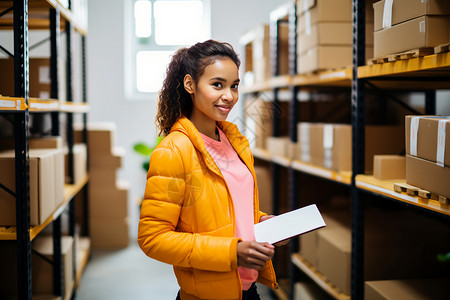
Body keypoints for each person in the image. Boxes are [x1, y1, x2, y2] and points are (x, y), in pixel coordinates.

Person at [138, 39, 287, 300]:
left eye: (234, 86)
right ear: (190, 85)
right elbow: (153, 238)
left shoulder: (234, 140)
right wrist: (231, 252)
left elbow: (226, 207)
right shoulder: (173, 151)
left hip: (247, 290)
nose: (229, 96)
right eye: (217, 84)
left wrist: (261, 223)